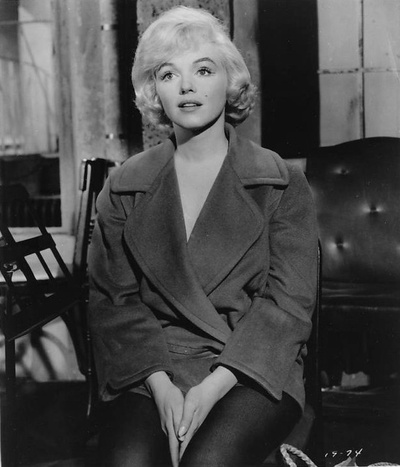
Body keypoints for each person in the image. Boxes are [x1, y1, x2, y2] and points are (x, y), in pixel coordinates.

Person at [88, 5, 318, 467]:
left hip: (250, 365)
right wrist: (162, 389)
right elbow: (114, 302)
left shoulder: (279, 182)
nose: (187, 86)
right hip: (151, 365)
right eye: (168, 74)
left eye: (204, 70)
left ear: (229, 81)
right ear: (155, 91)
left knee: (206, 462)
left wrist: (210, 389)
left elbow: (287, 305)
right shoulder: (124, 185)